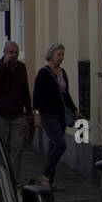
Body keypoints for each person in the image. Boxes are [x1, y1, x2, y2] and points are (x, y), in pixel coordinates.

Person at [34, 43, 78, 190]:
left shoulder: (63, 72)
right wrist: (37, 114)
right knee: (60, 144)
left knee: (54, 145)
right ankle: (45, 175)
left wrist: (74, 109)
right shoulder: (43, 73)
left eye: (63, 55)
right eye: (59, 54)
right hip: (48, 114)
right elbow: (37, 95)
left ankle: (49, 182)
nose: (61, 57)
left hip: (61, 114)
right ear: (51, 55)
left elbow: (66, 94)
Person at [0, 41, 32, 182]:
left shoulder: (21, 68)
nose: (13, 55)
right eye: (11, 52)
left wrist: (29, 111)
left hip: (18, 115)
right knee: (2, 147)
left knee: (17, 147)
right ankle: (2, 178)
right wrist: (4, 65)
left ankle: (14, 179)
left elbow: (25, 90)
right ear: (5, 53)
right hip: (1, 114)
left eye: (16, 53)